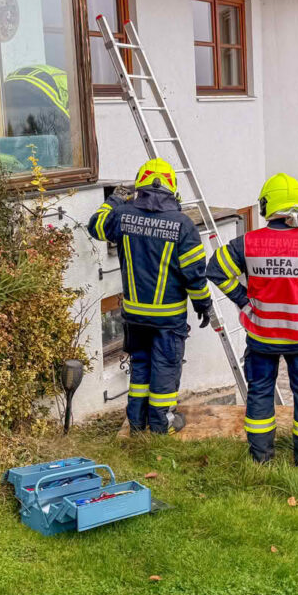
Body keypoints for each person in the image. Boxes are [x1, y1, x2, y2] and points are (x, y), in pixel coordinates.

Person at [206, 172, 298, 464]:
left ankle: (261, 459)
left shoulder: (247, 243)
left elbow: (215, 269)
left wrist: (242, 300)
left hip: (261, 336)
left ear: (266, 206)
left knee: (260, 393)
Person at [88, 158, 213, 435]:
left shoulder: (123, 216)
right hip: (168, 318)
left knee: (141, 366)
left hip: (135, 316)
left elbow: (96, 225)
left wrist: (115, 200)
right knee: (165, 368)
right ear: (172, 189)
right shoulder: (183, 225)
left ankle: (136, 422)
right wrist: (203, 303)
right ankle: (161, 424)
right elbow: (194, 275)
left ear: (140, 185)